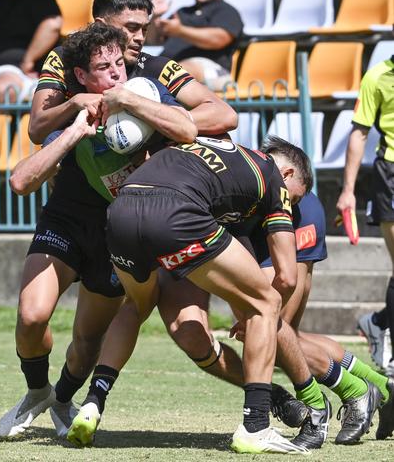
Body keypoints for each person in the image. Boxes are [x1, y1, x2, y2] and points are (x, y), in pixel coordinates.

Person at [0, 22, 197, 438]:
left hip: (118, 231)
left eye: (119, 64)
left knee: (87, 341)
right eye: (104, 68)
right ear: (82, 78)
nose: (117, 74)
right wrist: (73, 128)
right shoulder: (72, 107)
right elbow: (20, 182)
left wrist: (142, 117)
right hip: (67, 221)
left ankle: (64, 400)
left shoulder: (144, 95)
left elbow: (191, 128)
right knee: (32, 316)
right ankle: (37, 391)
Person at [68, 137, 315, 454]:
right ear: (290, 174)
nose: (290, 207)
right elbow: (287, 276)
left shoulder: (206, 150)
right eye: (293, 201)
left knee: (135, 306)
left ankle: (93, 403)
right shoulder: (272, 174)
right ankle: (255, 426)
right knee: (266, 302)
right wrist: (256, 315)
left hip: (121, 212)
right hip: (176, 212)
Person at [157, 140, 391, 445]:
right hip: (243, 225)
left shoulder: (296, 206)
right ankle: (380, 387)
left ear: (287, 174)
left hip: (291, 231)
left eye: (294, 196)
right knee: (276, 331)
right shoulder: (242, 177)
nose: (290, 201)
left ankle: (354, 391)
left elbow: (285, 284)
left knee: (273, 329)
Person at [29, 0, 237, 146]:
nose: (140, 38)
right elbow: (36, 130)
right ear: (102, 25)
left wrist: (151, 119)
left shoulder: (157, 67)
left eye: (144, 29)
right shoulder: (63, 58)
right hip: (76, 183)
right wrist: (74, 103)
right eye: (131, 28)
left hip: (139, 185)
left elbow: (225, 114)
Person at [337, 53, 394, 378]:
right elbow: (358, 134)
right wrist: (347, 191)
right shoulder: (377, 77)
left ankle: (378, 323)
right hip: (390, 176)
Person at [149, 0, 243, 92]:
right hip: (173, 72)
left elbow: (219, 39)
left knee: (179, 70)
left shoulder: (226, 11)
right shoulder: (183, 12)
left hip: (214, 72)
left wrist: (180, 31)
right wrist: (154, 16)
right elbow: (154, 40)